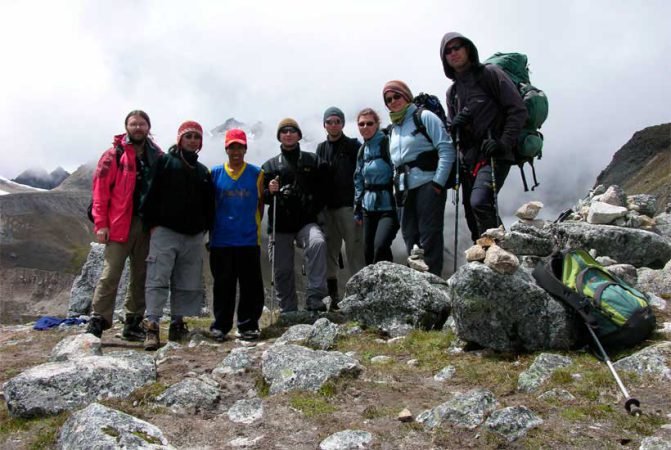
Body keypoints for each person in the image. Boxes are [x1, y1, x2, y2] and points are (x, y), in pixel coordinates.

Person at [440, 32, 527, 242]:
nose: (453, 53)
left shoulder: (490, 74)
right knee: (472, 215)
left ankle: (502, 255)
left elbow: (518, 110)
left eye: (457, 47)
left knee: (480, 202)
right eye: (448, 51)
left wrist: (503, 142)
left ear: (468, 49)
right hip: (469, 160)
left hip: (495, 153)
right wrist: (455, 126)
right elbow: (454, 131)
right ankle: (489, 258)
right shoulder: (452, 92)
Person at [87, 110, 163, 340]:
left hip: (146, 224)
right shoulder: (113, 155)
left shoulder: (157, 156)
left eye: (142, 124)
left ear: (148, 127)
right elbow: (100, 190)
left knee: (141, 275)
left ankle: (133, 322)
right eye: (133, 124)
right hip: (119, 223)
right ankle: (98, 320)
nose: (138, 128)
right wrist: (101, 223)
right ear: (126, 127)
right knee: (111, 273)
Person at [140, 120, 214, 350]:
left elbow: (209, 205)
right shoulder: (164, 162)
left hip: (192, 235)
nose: (192, 140)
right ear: (179, 139)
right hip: (165, 231)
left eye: (196, 137)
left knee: (186, 281)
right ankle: (152, 325)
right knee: (157, 277)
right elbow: (149, 193)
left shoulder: (203, 172)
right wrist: (151, 224)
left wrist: (205, 228)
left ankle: (177, 323)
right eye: (188, 136)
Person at [383, 81, 456, 276]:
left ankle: (434, 284)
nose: (393, 102)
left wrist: (438, 183)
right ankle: (417, 283)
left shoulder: (423, 117)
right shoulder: (393, 128)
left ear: (407, 96)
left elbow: (446, 149)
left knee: (429, 235)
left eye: (396, 96)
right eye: (388, 100)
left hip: (428, 184)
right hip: (403, 189)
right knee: (410, 236)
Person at [262, 118, 328, 313]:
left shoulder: (313, 161)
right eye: (284, 131)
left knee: (318, 243)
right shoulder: (270, 166)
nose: (288, 134)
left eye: (292, 131)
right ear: (279, 136)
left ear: (299, 135)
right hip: (280, 224)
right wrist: (270, 190)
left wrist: (312, 205)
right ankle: (287, 308)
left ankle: (315, 297)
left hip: (305, 221)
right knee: (282, 269)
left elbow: (324, 188)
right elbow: (263, 197)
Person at [209, 129, 265, 341]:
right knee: (223, 285)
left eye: (240, 147)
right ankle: (221, 326)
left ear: (245, 149)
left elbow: (260, 205)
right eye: (232, 147)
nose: (236, 151)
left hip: (248, 238)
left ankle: (248, 325)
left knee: (251, 285)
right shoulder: (214, 174)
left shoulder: (256, 173)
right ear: (226, 149)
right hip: (221, 239)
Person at [315, 107, 365, 307]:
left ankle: (360, 293)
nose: (333, 125)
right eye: (330, 121)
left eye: (337, 121)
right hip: (328, 209)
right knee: (330, 252)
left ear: (343, 124)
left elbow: (361, 174)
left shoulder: (353, 146)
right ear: (324, 125)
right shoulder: (320, 149)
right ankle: (333, 297)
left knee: (355, 250)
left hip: (349, 206)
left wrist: (359, 203)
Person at [353, 108, 399, 265]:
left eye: (369, 123)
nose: (365, 127)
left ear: (377, 124)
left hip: (388, 207)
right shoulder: (362, 150)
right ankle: (380, 287)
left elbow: (396, 170)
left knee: (380, 246)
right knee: (369, 252)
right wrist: (357, 207)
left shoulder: (387, 143)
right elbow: (358, 178)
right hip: (367, 208)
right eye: (361, 124)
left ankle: (388, 285)